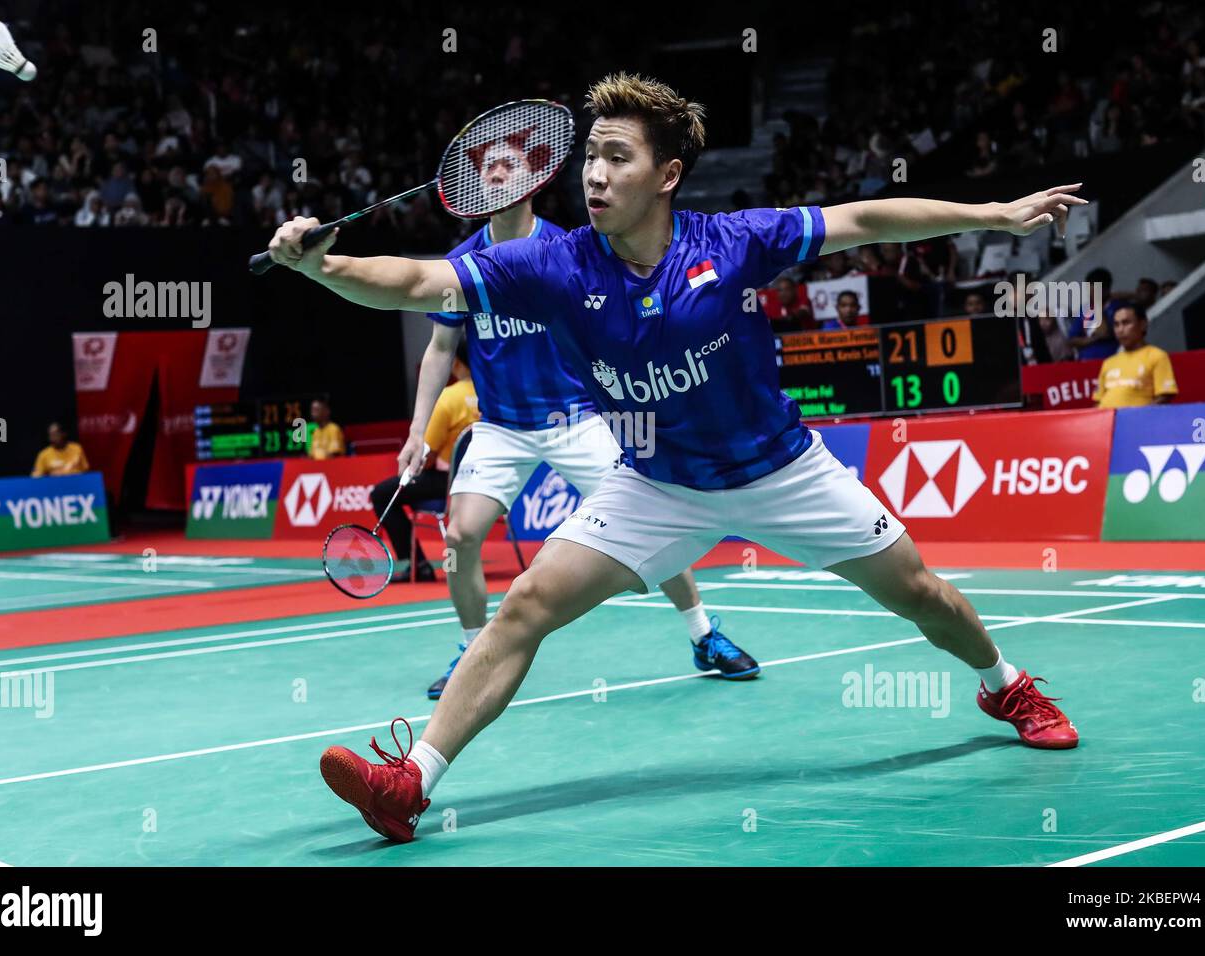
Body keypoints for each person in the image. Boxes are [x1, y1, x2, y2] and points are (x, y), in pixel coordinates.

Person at [266, 72, 1085, 844]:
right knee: (526, 608)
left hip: (780, 472)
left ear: (667, 175)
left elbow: (863, 221)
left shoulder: (734, 242)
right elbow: (415, 282)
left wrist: (992, 216)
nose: (594, 174)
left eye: (617, 157)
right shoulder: (552, 263)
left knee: (921, 595)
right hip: (654, 482)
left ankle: (1004, 682)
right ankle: (410, 783)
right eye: (590, 156)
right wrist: (323, 264)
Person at [399, 134, 758, 697]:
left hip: (577, 419)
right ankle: (472, 652)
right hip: (501, 424)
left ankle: (703, 633)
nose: (496, 171)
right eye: (487, 165)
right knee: (462, 534)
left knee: (649, 521)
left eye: (509, 163)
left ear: (532, 176)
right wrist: (419, 432)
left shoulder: (567, 251)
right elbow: (441, 349)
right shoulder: (462, 264)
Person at [369, 342, 480, 583]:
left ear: (456, 363)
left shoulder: (449, 397)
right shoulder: (492, 392)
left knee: (381, 494)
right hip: (489, 482)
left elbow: (426, 454)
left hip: (450, 484)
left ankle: (418, 565)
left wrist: (417, 467)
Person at [1094, 304, 1178, 407]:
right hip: (1107, 421)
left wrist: (1137, 417)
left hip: (1137, 421)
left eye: (1126, 323)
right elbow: (1098, 401)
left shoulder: (1157, 356)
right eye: (1116, 325)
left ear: (1142, 324)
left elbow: (1165, 396)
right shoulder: (1108, 362)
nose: (1120, 330)